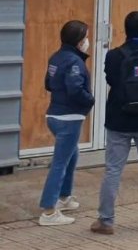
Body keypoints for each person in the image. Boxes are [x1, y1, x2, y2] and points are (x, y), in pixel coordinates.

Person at [92, 11, 138, 235]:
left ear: (125, 30)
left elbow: (111, 80)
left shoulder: (114, 56)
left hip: (119, 120)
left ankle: (106, 221)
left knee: (113, 170)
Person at [38, 21, 95, 227]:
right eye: (86, 37)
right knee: (60, 163)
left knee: (71, 155)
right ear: (80, 41)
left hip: (54, 115)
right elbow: (75, 90)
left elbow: (48, 83)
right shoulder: (74, 62)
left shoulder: (56, 57)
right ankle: (49, 211)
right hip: (68, 118)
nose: (88, 41)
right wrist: (91, 99)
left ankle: (64, 197)